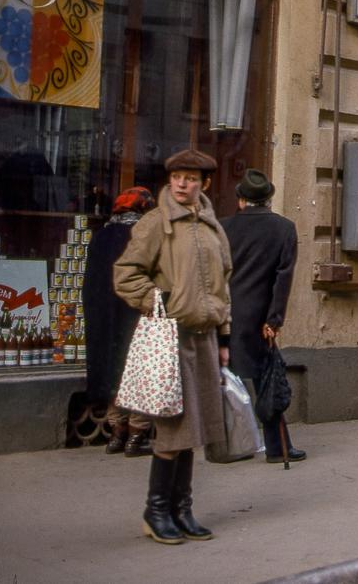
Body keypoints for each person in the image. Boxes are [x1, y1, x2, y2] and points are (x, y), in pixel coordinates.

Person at [114, 148, 231, 545]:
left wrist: (225, 337)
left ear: (205, 184)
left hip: (205, 340)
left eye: (191, 178)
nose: (183, 184)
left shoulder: (213, 227)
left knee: (194, 431)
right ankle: (156, 510)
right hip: (170, 340)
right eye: (177, 177)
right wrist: (157, 302)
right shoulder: (154, 224)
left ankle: (183, 510)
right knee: (172, 429)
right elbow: (126, 275)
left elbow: (223, 284)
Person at [220, 169, 305, 464]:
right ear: (268, 199)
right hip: (258, 318)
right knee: (266, 381)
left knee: (220, 379)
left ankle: (223, 444)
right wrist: (274, 319)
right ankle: (277, 447)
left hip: (225, 314)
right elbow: (283, 279)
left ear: (241, 200)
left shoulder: (222, 227)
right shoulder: (284, 228)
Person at [85, 187, 156, 457]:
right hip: (135, 314)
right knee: (139, 372)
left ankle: (116, 434)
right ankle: (136, 436)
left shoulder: (101, 236)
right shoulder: (142, 236)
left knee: (114, 373)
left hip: (104, 316)